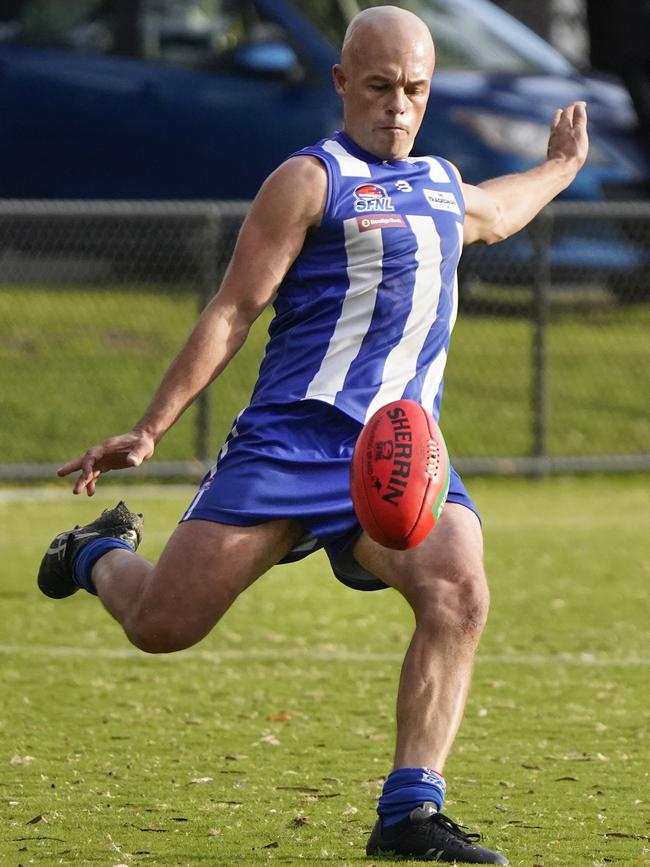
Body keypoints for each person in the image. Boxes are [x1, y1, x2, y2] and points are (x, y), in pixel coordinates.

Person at [37, 6, 588, 863]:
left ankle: (409, 815)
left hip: (400, 452)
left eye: (414, 90)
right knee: (161, 624)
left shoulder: (443, 183)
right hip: (290, 446)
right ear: (340, 83)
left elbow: (499, 212)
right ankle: (92, 551)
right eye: (378, 87)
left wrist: (559, 166)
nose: (397, 107)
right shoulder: (309, 179)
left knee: (458, 594)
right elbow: (232, 310)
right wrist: (150, 428)